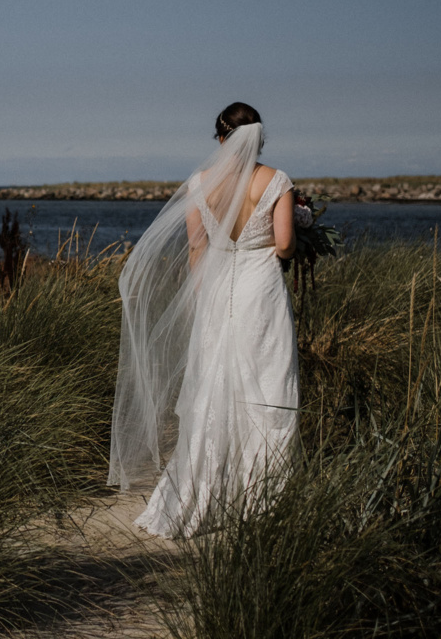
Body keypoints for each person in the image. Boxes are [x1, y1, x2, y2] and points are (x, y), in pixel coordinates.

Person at [107, 103, 298, 539]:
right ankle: (263, 496)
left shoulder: (199, 184)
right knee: (267, 380)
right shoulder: (277, 181)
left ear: (219, 138)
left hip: (215, 287)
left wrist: (199, 298)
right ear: (260, 138)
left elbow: (197, 246)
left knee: (212, 384)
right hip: (260, 288)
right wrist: (295, 226)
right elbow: (285, 245)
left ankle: (201, 490)